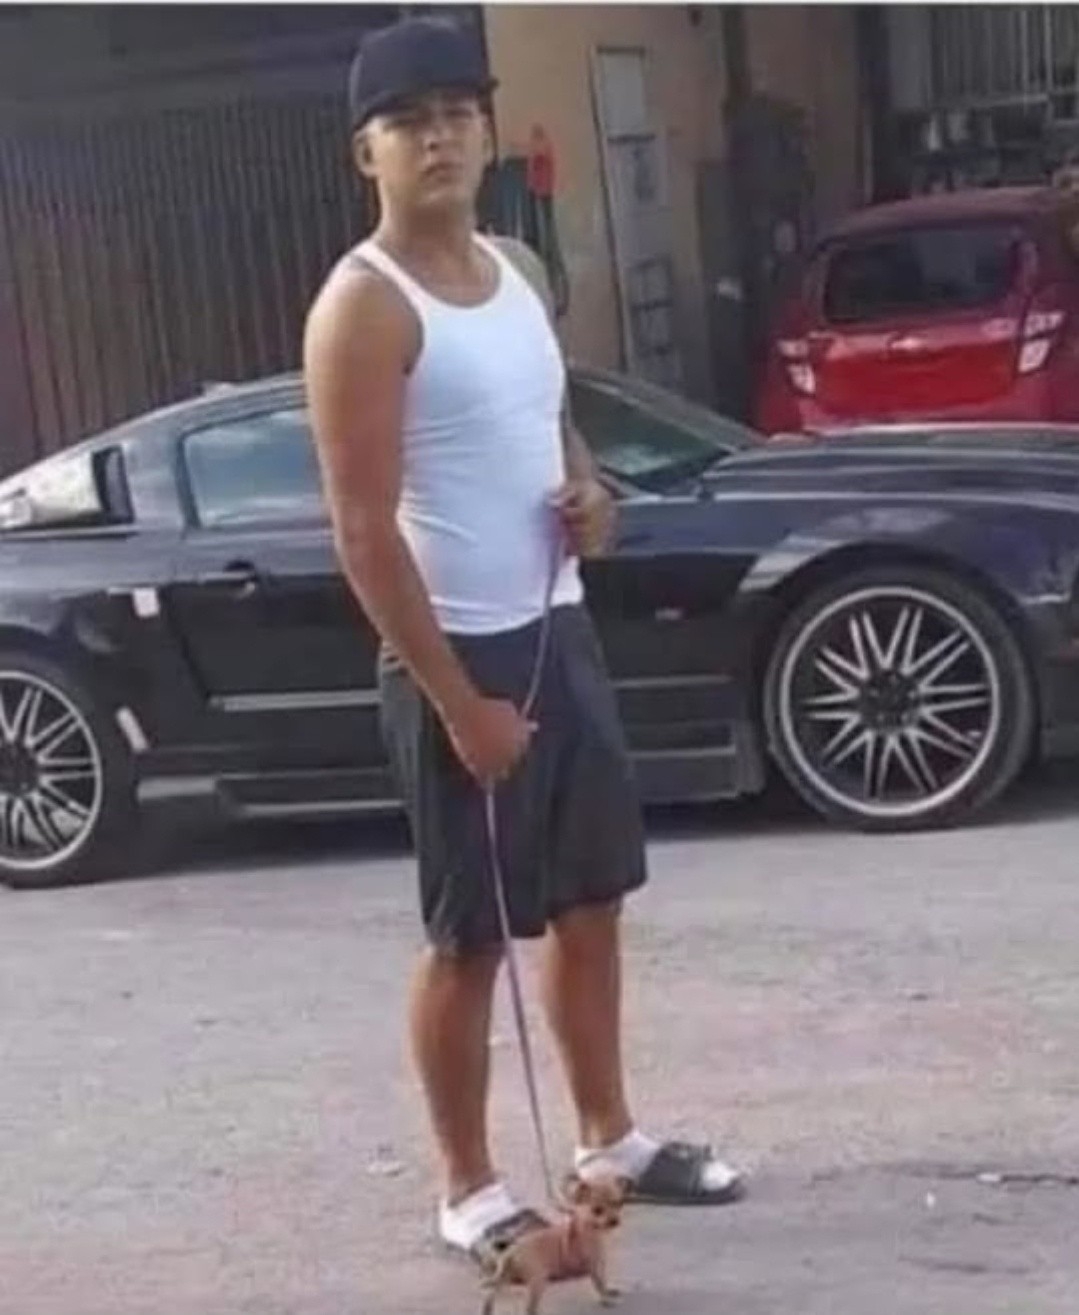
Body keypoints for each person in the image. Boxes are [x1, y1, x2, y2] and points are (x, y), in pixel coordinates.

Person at [303, 15, 744, 1270]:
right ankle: (467, 1186)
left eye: (456, 114)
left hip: (557, 624)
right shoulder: (361, 308)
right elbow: (360, 531)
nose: (438, 138)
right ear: (367, 153)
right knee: (469, 939)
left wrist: (589, 492)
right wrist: (459, 704)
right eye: (408, 123)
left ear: (485, 130)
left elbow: (547, 421)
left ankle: (609, 1138)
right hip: (456, 655)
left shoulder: (513, 269)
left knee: (593, 900)